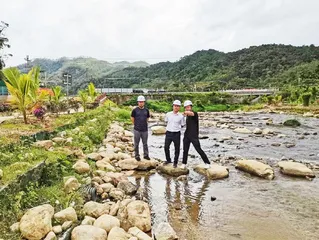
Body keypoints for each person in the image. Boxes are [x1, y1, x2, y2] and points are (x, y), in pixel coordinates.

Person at [182, 100, 210, 169]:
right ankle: (184, 163)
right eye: (186, 107)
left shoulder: (194, 113)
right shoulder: (187, 116)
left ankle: (207, 163)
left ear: (191, 107)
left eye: (188, 107)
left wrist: (185, 112)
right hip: (187, 135)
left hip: (194, 135)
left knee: (198, 149)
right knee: (185, 150)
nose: (187, 108)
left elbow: (191, 113)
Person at [164, 100, 185, 168]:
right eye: (175, 106)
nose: (176, 107)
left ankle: (175, 162)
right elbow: (166, 121)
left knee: (177, 148)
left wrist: (177, 127)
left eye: (178, 106)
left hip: (176, 133)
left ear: (179, 108)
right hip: (168, 133)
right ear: (173, 106)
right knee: (166, 147)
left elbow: (182, 124)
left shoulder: (181, 116)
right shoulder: (168, 114)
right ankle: (168, 160)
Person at [131, 95, 150, 161]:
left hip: (145, 130)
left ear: (144, 102)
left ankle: (146, 155)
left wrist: (144, 123)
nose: (141, 103)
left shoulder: (146, 110)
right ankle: (137, 155)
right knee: (136, 144)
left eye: (142, 102)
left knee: (145, 143)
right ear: (138, 102)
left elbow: (147, 118)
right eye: (140, 102)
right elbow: (132, 118)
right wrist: (135, 124)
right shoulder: (135, 110)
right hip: (137, 130)